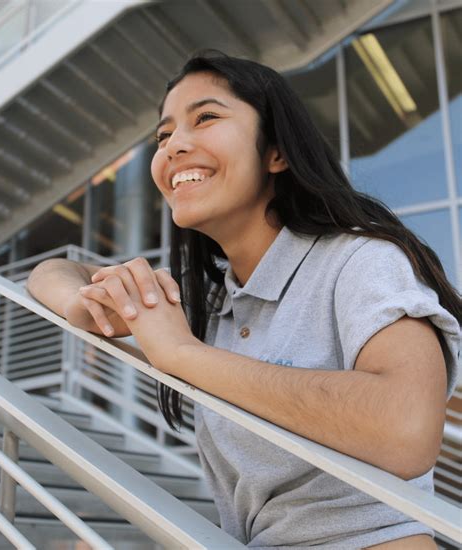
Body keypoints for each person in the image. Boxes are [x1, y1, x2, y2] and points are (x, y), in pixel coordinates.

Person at [27, 51, 461, 549]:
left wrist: (183, 355)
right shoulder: (214, 296)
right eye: (164, 136)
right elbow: (47, 272)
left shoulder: (359, 259)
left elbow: (406, 429)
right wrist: (85, 301)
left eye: (206, 117)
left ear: (275, 151)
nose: (174, 147)